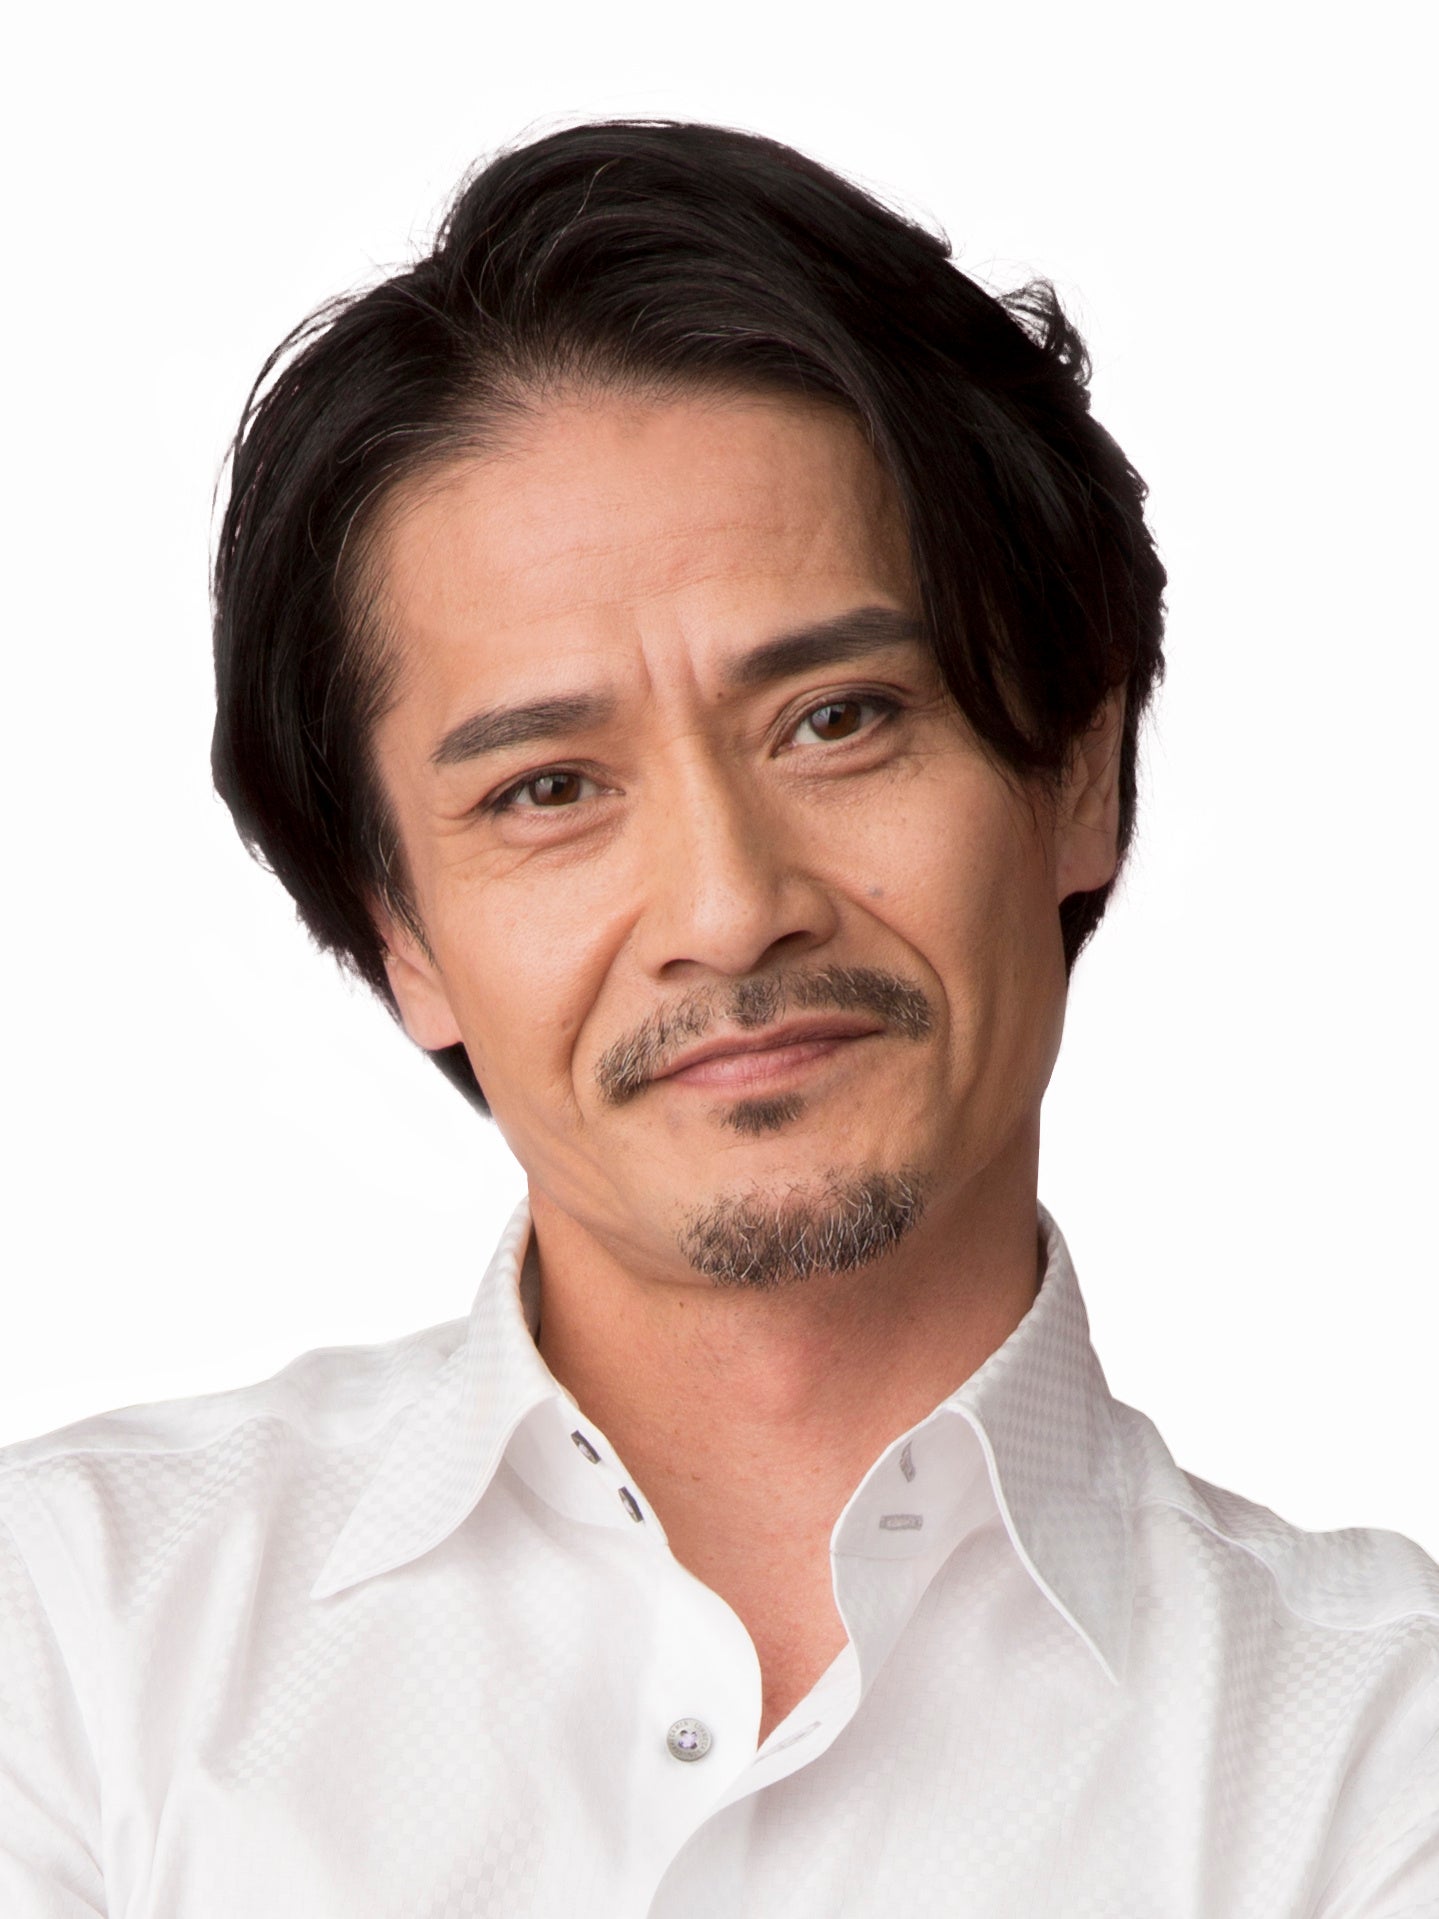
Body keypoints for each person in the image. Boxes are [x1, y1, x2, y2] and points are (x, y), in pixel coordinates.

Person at [1, 120, 1434, 1919]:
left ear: (1079, 771)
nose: (728, 906)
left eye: (838, 719)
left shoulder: (1383, 1752)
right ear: (400, 936)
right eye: (546, 789)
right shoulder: (65, 1644)